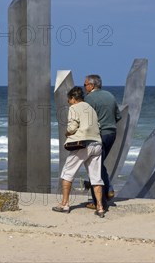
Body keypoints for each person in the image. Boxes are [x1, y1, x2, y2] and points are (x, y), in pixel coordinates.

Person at [52, 86, 105, 217]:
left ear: (73, 98)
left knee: (67, 173)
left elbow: (72, 126)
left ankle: (65, 204)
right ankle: (100, 207)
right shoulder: (91, 108)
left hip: (83, 144)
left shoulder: (74, 108)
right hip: (97, 144)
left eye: (69, 100)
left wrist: (67, 133)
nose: (68, 102)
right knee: (96, 177)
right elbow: (97, 125)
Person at [84, 74, 121, 210]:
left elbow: (86, 120)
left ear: (92, 85)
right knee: (99, 163)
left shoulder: (89, 99)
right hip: (111, 133)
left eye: (85, 85)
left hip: (98, 135)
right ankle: (108, 190)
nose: (84, 88)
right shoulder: (110, 96)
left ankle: (98, 202)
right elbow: (118, 116)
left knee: (95, 165)